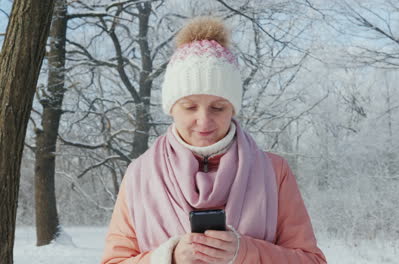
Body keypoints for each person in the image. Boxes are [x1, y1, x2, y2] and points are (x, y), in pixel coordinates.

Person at [101, 16, 327, 264]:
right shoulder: (138, 175)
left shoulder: (275, 172)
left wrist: (245, 253)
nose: (204, 120)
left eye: (218, 108)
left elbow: (311, 260)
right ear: (171, 108)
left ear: (233, 108)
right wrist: (169, 257)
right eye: (189, 107)